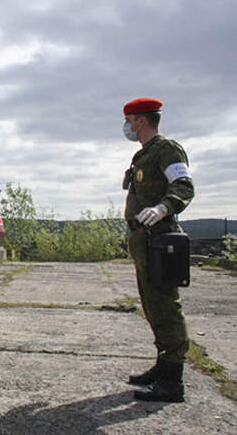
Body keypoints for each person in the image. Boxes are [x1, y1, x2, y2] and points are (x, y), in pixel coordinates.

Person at [122, 97, 194, 403]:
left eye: (128, 120)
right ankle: (162, 367)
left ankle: (173, 382)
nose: (125, 126)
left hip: (161, 238)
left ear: (140, 120)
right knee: (152, 305)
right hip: (144, 240)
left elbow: (184, 186)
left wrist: (164, 207)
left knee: (166, 306)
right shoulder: (143, 155)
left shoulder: (167, 149)